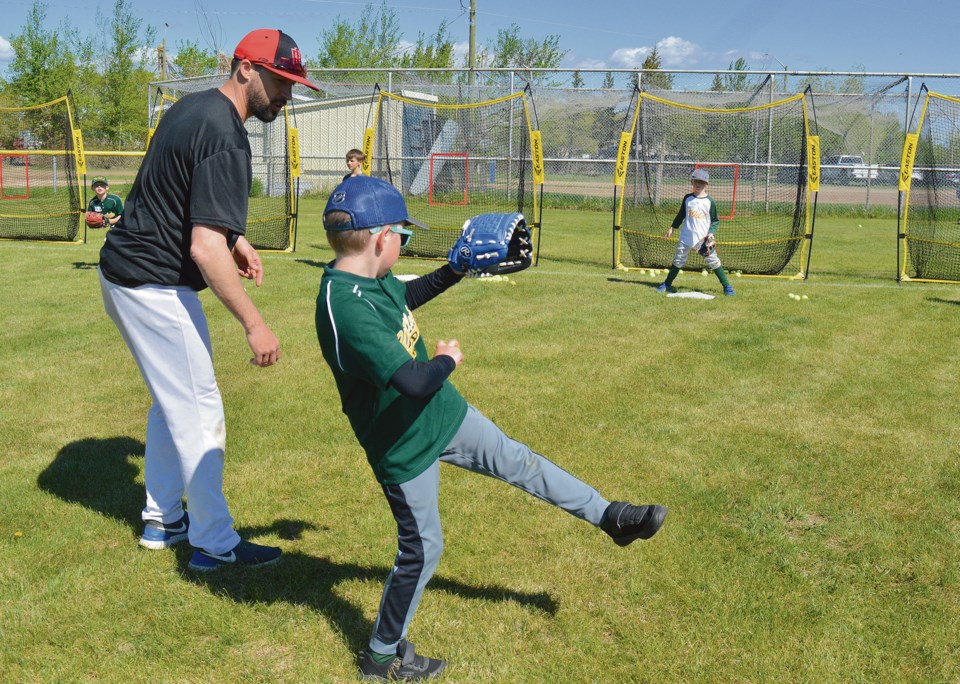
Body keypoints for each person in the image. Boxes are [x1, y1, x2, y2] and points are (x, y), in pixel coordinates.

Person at [314, 174, 668, 681]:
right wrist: (448, 360)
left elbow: (404, 299)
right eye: (404, 236)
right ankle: (380, 656)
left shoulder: (369, 281)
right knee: (422, 548)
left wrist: (453, 269)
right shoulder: (344, 305)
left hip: (443, 416)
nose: (405, 244)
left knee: (518, 460)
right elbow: (413, 381)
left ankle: (611, 517)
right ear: (381, 239)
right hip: (403, 444)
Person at [98, 29, 320, 572]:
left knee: (172, 401)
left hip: (125, 272)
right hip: (153, 283)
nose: (287, 95)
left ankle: (163, 519)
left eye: (292, 84)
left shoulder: (190, 108)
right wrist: (254, 322)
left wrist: (235, 236)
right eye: (280, 80)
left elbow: (172, 191)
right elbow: (203, 247)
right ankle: (214, 544)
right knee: (199, 409)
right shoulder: (227, 134)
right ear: (245, 68)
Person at [656, 168, 736, 296]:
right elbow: (681, 215)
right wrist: (672, 227)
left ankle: (727, 287)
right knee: (678, 260)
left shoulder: (710, 202)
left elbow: (715, 220)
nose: (698, 184)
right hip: (686, 237)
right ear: (692, 182)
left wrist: (711, 233)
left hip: (702, 240)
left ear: (706, 184)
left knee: (714, 261)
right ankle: (667, 284)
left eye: (702, 182)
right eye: (696, 181)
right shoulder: (687, 198)